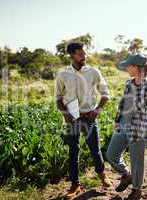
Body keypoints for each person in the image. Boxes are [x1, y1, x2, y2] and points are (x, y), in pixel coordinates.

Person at [55, 42, 112, 199]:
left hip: (89, 117)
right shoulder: (62, 75)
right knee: (73, 152)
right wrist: (65, 113)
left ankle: (101, 174)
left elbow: (105, 94)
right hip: (72, 119)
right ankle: (75, 185)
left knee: (95, 149)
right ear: (71, 55)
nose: (84, 56)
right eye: (80, 54)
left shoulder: (93, 72)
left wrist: (97, 110)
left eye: (84, 54)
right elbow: (58, 99)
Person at [106, 54, 147, 200]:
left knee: (137, 162)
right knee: (111, 154)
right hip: (123, 126)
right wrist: (117, 120)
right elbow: (123, 104)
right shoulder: (128, 84)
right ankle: (126, 174)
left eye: (128, 66)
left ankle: (137, 190)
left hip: (139, 129)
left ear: (137, 68)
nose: (126, 68)